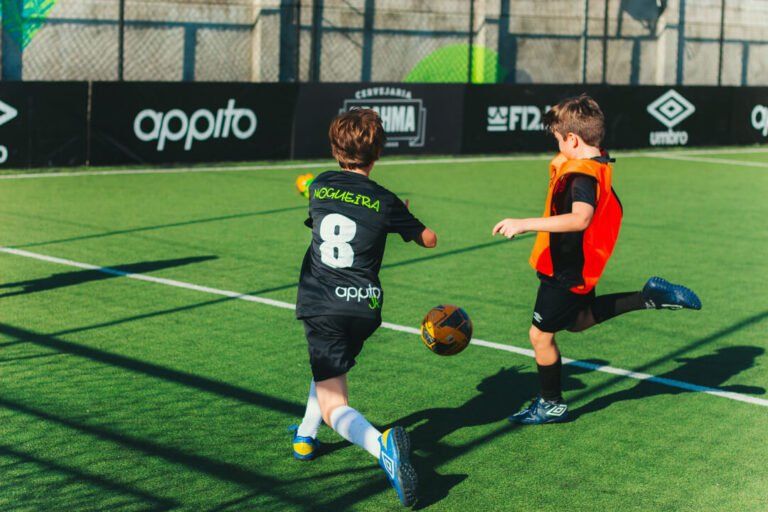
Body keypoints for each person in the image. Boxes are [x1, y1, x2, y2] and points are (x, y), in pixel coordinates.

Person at [492, 94, 701, 425]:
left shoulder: (581, 177)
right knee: (577, 320)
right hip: (579, 265)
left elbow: (580, 218)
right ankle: (646, 298)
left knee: (540, 336)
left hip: (565, 269)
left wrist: (524, 224)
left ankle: (551, 404)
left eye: (559, 141)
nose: (557, 148)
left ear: (573, 140)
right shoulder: (597, 162)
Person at [290, 108, 437, 506]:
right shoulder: (386, 200)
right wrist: (401, 217)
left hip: (322, 303)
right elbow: (429, 239)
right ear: (378, 153)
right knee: (328, 370)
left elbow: (325, 206)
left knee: (335, 403)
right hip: (364, 308)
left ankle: (381, 446)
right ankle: (306, 435)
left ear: (335, 150)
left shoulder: (319, 185)